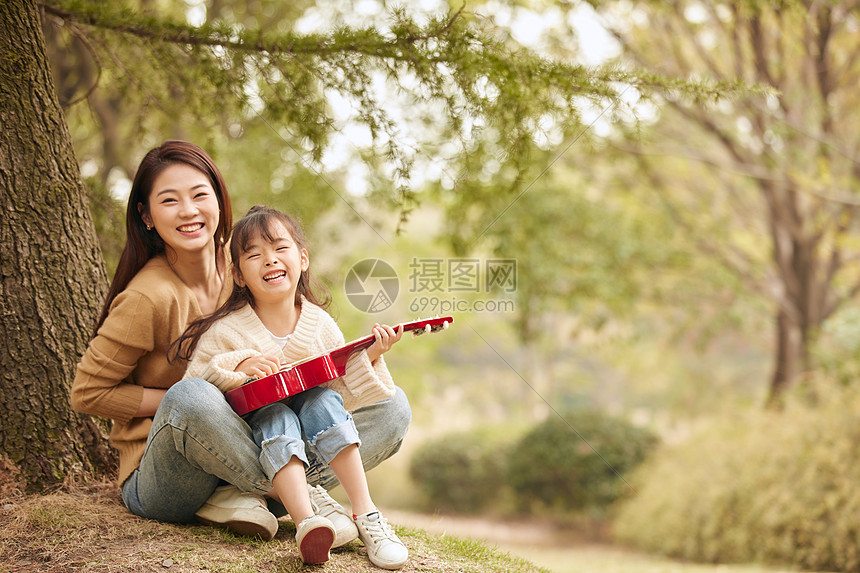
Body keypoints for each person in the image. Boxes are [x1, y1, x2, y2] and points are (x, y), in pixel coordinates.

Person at [70, 141, 412, 557]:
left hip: (256, 440)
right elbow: (87, 393)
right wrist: (214, 401)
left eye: (200, 195)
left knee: (392, 406)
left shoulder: (246, 266)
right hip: (172, 471)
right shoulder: (150, 297)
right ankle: (306, 500)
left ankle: (276, 496)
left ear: (219, 199)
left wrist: (364, 359)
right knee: (193, 395)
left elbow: (297, 371)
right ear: (146, 215)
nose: (189, 211)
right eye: (169, 200)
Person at [175, 205, 409, 568]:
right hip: (250, 444)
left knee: (324, 401)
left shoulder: (321, 325)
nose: (270, 260)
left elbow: (342, 398)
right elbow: (192, 400)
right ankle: (307, 519)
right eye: (254, 254)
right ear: (238, 274)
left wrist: (372, 357)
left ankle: (366, 515)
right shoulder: (226, 330)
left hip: (306, 443)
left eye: (280, 249)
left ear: (302, 259)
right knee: (276, 414)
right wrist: (240, 367)